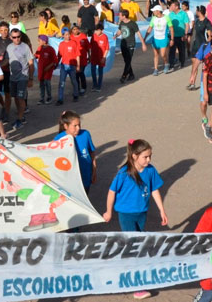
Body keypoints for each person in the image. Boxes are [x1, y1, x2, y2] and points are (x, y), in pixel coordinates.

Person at [103, 139, 168, 300]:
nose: (149, 160)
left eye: (150, 156)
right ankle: (137, 285)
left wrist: (162, 210)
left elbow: (154, 190)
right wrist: (108, 212)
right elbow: (112, 192)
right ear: (134, 156)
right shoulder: (124, 173)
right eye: (145, 157)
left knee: (137, 241)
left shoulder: (150, 170)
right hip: (126, 214)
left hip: (142, 213)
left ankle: (127, 263)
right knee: (134, 245)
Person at [54, 111, 96, 193]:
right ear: (66, 126)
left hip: (85, 174)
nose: (78, 128)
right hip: (70, 179)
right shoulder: (59, 139)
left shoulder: (85, 134)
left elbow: (92, 153)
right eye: (75, 126)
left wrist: (94, 170)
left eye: (79, 125)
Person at [5, 29, 34, 129]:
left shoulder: (25, 47)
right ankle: (20, 115)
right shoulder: (9, 47)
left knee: (21, 98)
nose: (17, 39)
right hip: (13, 78)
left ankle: (20, 119)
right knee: (16, 98)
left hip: (23, 77)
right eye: (14, 37)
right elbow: (6, 61)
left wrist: (30, 78)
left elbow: (31, 63)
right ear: (10, 37)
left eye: (18, 37)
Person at [115, 9, 148, 82]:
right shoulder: (121, 23)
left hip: (130, 44)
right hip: (123, 44)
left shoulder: (132, 24)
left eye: (120, 15)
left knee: (128, 60)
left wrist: (143, 44)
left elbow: (139, 33)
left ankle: (124, 76)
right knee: (126, 60)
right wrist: (115, 36)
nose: (119, 17)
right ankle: (131, 74)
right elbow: (120, 31)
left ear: (124, 16)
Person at [187, 6, 212, 89]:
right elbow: (194, 33)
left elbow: (210, 36)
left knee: (204, 66)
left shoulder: (207, 22)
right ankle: (192, 82)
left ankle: (205, 82)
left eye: (197, 11)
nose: (196, 12)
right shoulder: (197, 21)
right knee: (194, 64)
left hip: (203, 46)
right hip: (195, 45)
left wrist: (207, 45)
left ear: (199, 12)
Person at [144, 5, 174, 75]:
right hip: (155, 39)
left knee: (163, 55)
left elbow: (171, 28)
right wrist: (145, 38)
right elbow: (150, 28)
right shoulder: (153, 18)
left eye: (154, 11)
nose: (153, 12)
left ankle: (166, 64)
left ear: (158, 11)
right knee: (156, 55)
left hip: (163, 38)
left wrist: (172, 39)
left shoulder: (166, 18)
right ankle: (156, 69)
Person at [56, 28, 80, 106]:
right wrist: (56, 63)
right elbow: (59, 56)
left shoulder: (74, 43)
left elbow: (77, 55)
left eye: (69, 34)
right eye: (66, 34)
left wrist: (78, 65)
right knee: (61, 82)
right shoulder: (61, 44)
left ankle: (76, 95)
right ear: (63, 35)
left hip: (72, 65)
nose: (68, 36)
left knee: (74, 81)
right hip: (64, 66)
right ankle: (60, 99)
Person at [167, 1, 189, 70]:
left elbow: (187, 25)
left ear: (176, 7)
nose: (171, 7)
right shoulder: (170, 14)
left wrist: (185, 34)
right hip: (172, 36)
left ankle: (182, 62)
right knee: (171, 51)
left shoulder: (183, 14)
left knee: (181, 50)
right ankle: (171, 64)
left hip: (181, 35)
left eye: (172, 6)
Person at [35, 35, 57, 104]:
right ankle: (42, 98)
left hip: (47, 71)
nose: (38, 42)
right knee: (41, 84)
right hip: (41, 70)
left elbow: (54, 60)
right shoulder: (39, 48)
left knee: (47, 83)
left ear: (44, 41)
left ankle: (49, 97)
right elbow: (36, 55)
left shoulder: (51, 49)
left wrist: (48, 67)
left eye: (39, 41)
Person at [70, 24, 90, 95]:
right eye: (73, 29)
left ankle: (83, 87)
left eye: (76, 29)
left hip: (82, 58)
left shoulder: (83, 36)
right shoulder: (70, 37)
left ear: (78, 29)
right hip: (74, 59)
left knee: (81, 73)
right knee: (75, 75)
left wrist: (89, 56)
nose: (75, 31)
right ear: (71, 30)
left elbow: (88, 48)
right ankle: (77, 88)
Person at [90, 23, 109, 91]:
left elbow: (107, 48)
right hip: (93, 57)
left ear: (102, 30)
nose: (96, 32)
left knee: (100, 71)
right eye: (95, 30)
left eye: (97, 30)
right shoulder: (93, 36)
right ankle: (94, 84)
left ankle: (99, 86)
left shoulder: (105, 37)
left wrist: (104, 57)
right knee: (93, 71)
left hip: (101, 57)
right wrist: (89, 55)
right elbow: (90, 46)